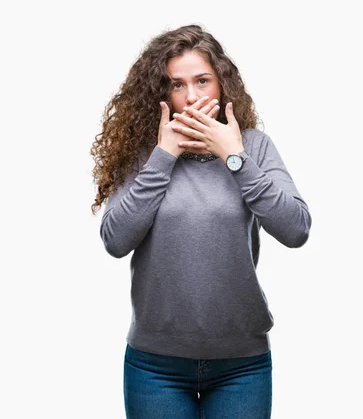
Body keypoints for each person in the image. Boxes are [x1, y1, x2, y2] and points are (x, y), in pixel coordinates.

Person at [89, 24, 312, 419]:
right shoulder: (146, 153)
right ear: (162, 93)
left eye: (202, 81)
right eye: (177, 84)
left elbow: (295, 229)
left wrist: (235, 158)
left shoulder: (253, 146)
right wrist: (163, 156)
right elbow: (115, 240)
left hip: (241, 365)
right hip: (155, 366)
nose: (191, 97)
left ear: (222, 85)